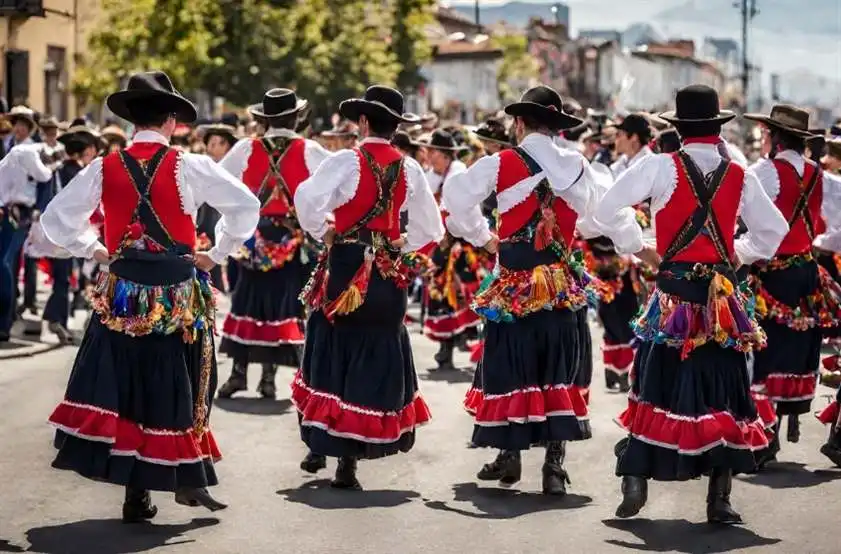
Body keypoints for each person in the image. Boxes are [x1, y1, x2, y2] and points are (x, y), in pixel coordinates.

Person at [40, 70, 259, 522]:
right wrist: (214, 254)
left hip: (121, 292)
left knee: (125, 384)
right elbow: (245, 207)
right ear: (171, 120)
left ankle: (140, 493)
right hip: (176, 291)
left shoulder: (103, 166)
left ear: (133, 119)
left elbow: (56, 219)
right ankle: (183, 478)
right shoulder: (190, 165)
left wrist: (95, 250)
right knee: (178, 379)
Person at [595, 84, 788, 524]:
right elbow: (771, 233)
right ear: (716, 128)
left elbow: (607, 209)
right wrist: (737, 252)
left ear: (679, 129)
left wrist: (637, 246)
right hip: (721, 301)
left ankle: (636, 477)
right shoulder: (741, 174)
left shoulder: (660, 167)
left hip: (672, 296)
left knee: (655, 380)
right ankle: (719, 498)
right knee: (725, 386)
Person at [444, 85, 626, 495]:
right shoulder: (579, 164)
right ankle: (554, 466)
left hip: (515, 284)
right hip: (561, 282)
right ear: (555, 126)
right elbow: (596, 220)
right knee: (558, 366)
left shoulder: (500, 162)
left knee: (511, 363)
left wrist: (483, 236)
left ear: (520, 123)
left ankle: (510, 455)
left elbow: (455, 199)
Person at [294, 85, 443, 489]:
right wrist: (401, 243)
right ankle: (349, 461)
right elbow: (432, 228)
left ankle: (326, 444)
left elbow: (306, 198)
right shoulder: (410, 168)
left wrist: (321, 230)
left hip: (345, 268)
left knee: (332, 344)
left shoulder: (346, 160)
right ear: (396, 127)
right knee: (377, 344)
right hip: (386, 273)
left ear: (362, 122)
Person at [217, 88, 330, 399]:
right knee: (281, 304)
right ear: (296, 118)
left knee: (246, 300)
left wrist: (237, 215)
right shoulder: (310, 150)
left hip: (253, 237)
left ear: (264, 120)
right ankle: (267, 378)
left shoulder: (245, 148)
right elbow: (334, 189)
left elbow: (220, 182)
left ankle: (239, 372)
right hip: (290, 237)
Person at [743, 105, 841, 463]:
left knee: (762, 352)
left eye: (766, 134)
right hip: (806, 271)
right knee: (795, 347)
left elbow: (740, 213)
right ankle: (781, 422)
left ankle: (765, 435)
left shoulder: (764, 172)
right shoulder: (821, 175)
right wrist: (817, 240)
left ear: (774, 137)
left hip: (771, 274)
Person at [421, 129, 484, 369]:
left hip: (462, 244)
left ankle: (469, 341)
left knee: (462, 291)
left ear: (444, 155)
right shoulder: (434, 175)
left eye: (432, 152)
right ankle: (447, 346)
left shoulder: (457, 174)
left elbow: (463, 211)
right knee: (441, 291)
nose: (428, 156)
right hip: (443, 243)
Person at [39, 124, 101, 343]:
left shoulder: (61, 169)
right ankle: (57, 318)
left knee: (64, 277)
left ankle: (57, 318)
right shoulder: (76, 173)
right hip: (69, 234)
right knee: (65, 278)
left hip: (58, 231)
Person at [0, 120, 55, 342]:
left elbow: (47, 179)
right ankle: (8, 316)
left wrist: (39, 212)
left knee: (5, 263)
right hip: (5, 208)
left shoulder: (34, 150)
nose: (18, 128)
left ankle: (5, 321)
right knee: (8, 265)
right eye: (16, 124)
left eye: (23, 125)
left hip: (21, 213)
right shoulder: (9, 146)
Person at [197, 119, 240, 291]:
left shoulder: (237, 167)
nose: (213, 147)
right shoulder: (200, 164)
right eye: (211, 143)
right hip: (206, 217)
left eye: (219, 143)